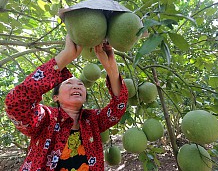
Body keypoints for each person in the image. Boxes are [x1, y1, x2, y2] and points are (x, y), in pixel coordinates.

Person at [4, 35, 128, 171]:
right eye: (69, 83)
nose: (76, 86)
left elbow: (118, 106)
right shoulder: (45, 118)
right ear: (55, 97)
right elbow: (15, 104)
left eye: (80, 84)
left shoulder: (93, 121)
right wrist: (65, 56)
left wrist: (111, 68)